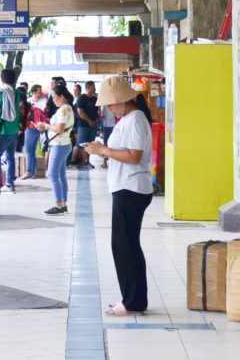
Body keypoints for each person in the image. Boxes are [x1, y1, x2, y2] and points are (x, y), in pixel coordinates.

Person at [85, 77, 154, 316]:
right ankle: (134, 299)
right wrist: (101, 150)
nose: (109, 110)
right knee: (127, 246)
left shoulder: (135, 119)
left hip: (131, 189)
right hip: (127, 188)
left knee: (124, 246)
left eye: (111, 106)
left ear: (122, 101)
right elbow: (124, 151)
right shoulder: (129, 119)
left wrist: (103, 150)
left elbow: (134, 156)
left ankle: (133, 301)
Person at [33, 83, 74, 214]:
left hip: (59, 145)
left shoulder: (63, 109)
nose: (53, 100)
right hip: (65, 144)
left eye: (55, 97)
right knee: (61, 175)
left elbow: (59, 129)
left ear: (61, 97)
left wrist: (45, 125)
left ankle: (59, 205)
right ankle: (63, 203)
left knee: (51, 174)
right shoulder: (69, 108)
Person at [19, 84, 48, 180]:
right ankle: (32, 172)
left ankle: (29, 172)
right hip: (36, 129)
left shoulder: (22, 105)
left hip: (30, 128)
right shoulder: (28, 104)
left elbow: (21, 119)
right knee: (32, 151)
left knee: (28, 151)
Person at [73, 81, 100, 169]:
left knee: (90, 143)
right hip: (83, 125)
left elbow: (97, 111)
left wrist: (96, 120)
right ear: (88, 87)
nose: (95, 88)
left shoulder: (95, 99)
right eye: (93, 86)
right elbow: (80, 112)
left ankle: (87, 161)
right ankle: (83, 161)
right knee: (82, 143)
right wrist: (89, 121)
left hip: (93, 125)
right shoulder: (82, 98)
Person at [99, 95, 118, 169]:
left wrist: (102, 131)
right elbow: (102, 115)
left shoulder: (104, 103)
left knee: (106, 144)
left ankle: (105, 163)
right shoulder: (114, 102)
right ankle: (108, 162)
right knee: (112, 144)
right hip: (112, 125)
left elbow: (102, 116)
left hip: (107, 125)